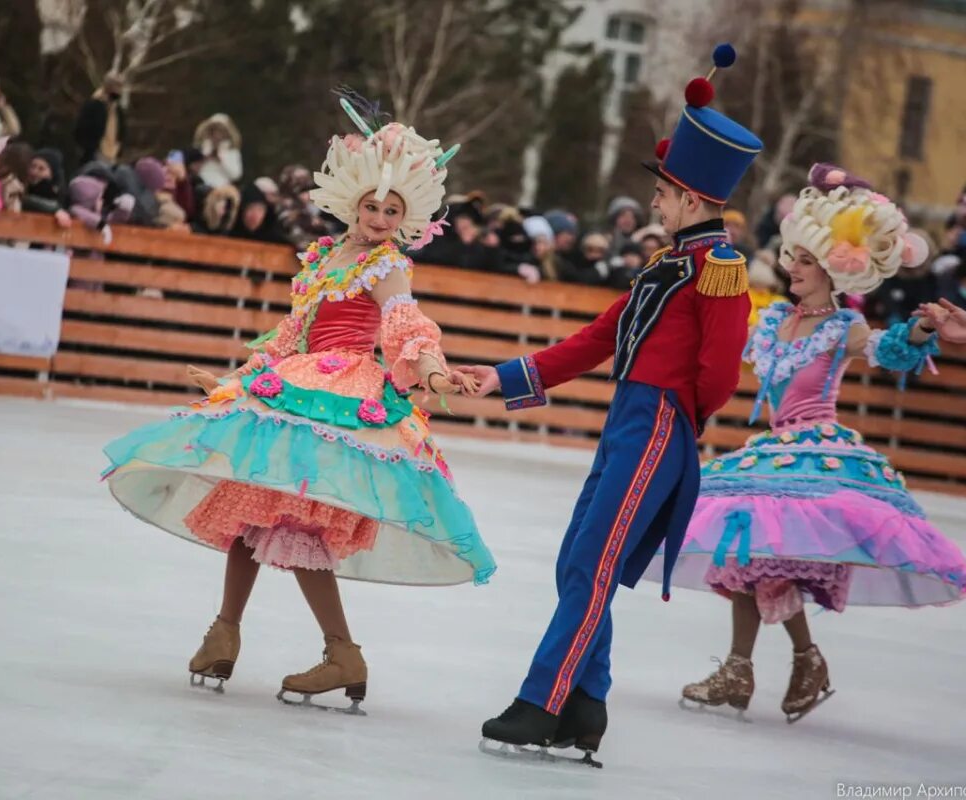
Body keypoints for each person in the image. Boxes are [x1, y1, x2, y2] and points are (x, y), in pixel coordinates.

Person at [100, 92, 495, 713]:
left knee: (296, 519)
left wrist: (434, 374)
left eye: (394, 209)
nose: (382, 217)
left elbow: (404, 324)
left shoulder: (387, 266)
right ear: (353, 202)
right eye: (373, 205)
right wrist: (237, 385)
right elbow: (290, 334)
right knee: (248, 502)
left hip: (338, 395)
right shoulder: (324, 257)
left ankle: (342, 652)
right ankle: (224, 635)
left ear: (407, 216)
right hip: (293, 383)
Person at [462, 44, 760, 764]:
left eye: (662, 191)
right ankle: (586, 704)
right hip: (629, 419)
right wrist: (501, 376)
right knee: (578, 561)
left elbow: (718, 375)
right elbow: (599, 337)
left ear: (691, 197)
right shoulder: (668, 266)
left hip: (658, 423)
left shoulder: (719, 271)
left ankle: (543, 701)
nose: (653, 200)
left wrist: (671, 418)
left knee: (591, 565)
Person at [656, 164, 966, 722]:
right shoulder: (775, 320)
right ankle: (798, 661)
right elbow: (722, 345)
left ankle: (755, 667)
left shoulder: (841, 328)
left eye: (807, 261)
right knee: (752, 556)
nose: (794, 270)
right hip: (775, 449)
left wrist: (923, 329)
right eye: (794, 259)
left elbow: (890, 350)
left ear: (834, 268)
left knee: (757, 554)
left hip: (818, 453)